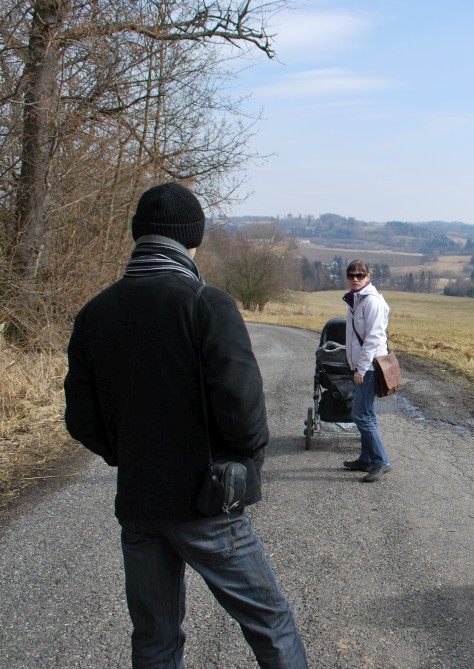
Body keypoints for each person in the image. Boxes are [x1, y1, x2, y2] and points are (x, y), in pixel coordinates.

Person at [64, 182, 307, 669]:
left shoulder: (94, 313)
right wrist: (242, 466)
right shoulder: (206, 304)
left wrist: (129, 454)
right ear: (192, 238)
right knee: (271, 622)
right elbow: (245, 414)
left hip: (139, 503)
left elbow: (81, 419)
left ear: (138, 235)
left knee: (155, 640)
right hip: (206, 502)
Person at [341, 259, 393, 482]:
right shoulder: (357, 300)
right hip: (362, 365)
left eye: (360, 275)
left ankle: (381, 461)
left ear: (368, 277)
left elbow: (373, 338)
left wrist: (361, 369)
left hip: (369, 366)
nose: (355, 279)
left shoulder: (371, 301)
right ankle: (366, 459)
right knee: (368, 413)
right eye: (351, 275)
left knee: (360, 414)